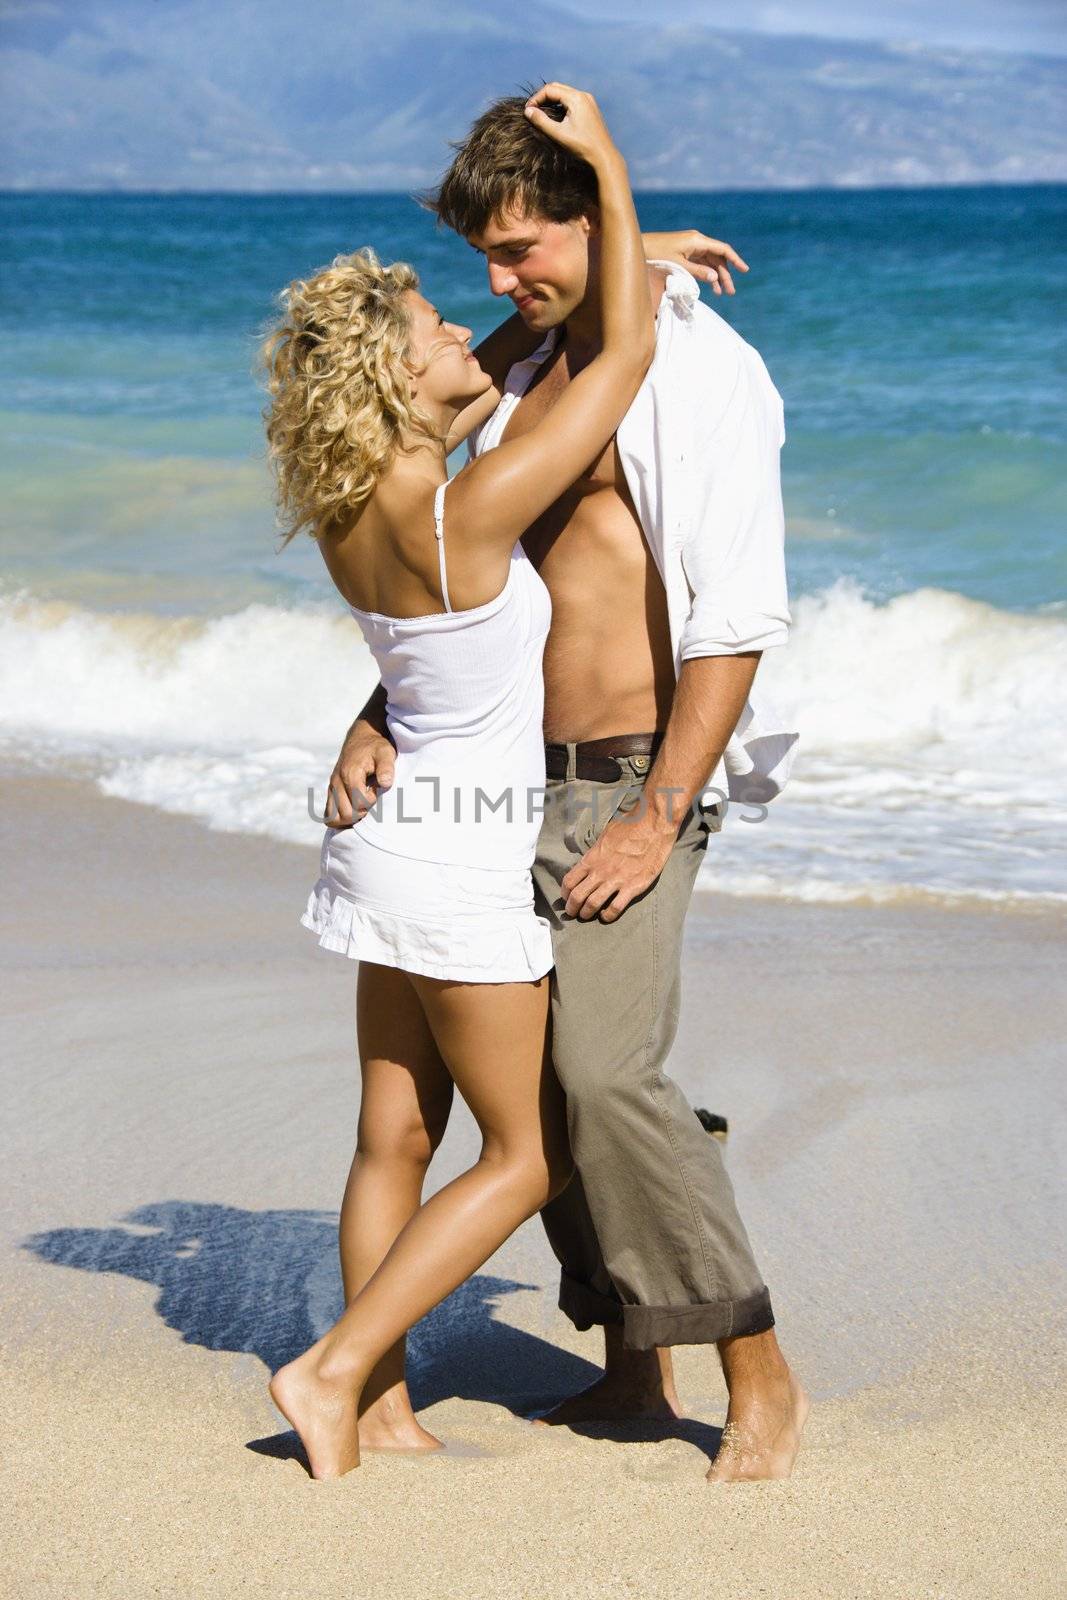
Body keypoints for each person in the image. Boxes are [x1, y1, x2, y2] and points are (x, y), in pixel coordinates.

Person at [332, 90, 808, 1482]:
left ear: (589, 218)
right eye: (484, 255)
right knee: (542, 1094)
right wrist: (379, 707)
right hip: (495, 780)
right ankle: (630, 1367)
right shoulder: (534, 364)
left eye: (523, 245)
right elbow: (456, 569)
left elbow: (735, 618)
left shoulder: (705, 378)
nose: (500, 280)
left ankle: (760, 1372)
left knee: (608, 1076)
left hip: (625, 781)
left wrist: (660, 813)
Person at [259, 85, 658, 1480]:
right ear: (395, 384)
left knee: (392, 1133)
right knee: (518, 1158)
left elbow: (502, 364)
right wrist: (608, 182)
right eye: (434, 329)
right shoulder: (467, 507)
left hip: (379, 849)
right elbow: (612, 367)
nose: (460, 334)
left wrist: (621, 244)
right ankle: (336, 1368)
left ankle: (377, 1417)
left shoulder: (351, 507)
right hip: (456, 863)